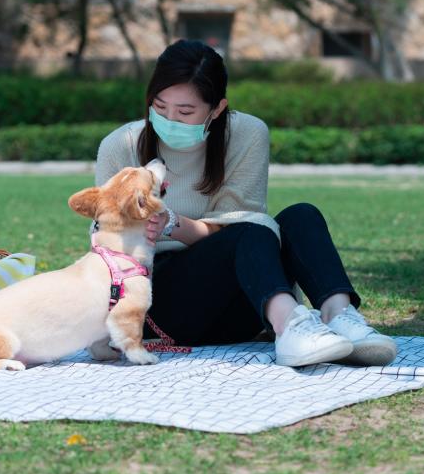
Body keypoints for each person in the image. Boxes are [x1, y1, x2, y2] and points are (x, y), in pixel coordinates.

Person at [94, 39, 397, 367]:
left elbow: (240, 220)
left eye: (185, 112)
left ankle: (340, 316)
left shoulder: (247, 134)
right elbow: (106, 243)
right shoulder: (120, 146)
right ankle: (290, 328)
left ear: (217, 109)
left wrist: (174, 222)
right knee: (250, 232)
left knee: (301, 216)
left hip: (244, 305)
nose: (169, 119)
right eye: (159, 105)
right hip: (165, 306)